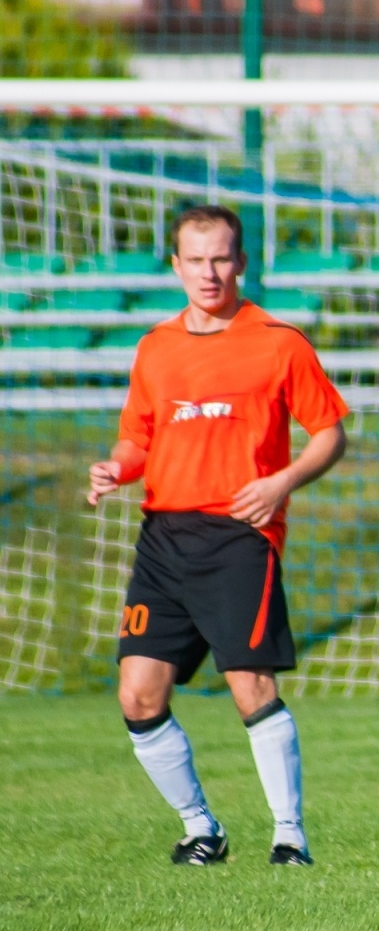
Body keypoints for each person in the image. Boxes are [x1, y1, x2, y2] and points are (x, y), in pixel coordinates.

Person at [87, 205, 349, 867]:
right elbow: (138, 438)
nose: (210, 273)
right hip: (162, 539)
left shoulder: (279, 342)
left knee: (249, 687)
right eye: (197, 260)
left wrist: (281, 482)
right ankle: (201, 829)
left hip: (240, 536)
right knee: (138, 694)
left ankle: (289, 837)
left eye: (222, 258)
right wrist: (116, 468)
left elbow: (330, 434)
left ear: (242, 262)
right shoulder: (155, 347)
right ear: (176, 265)